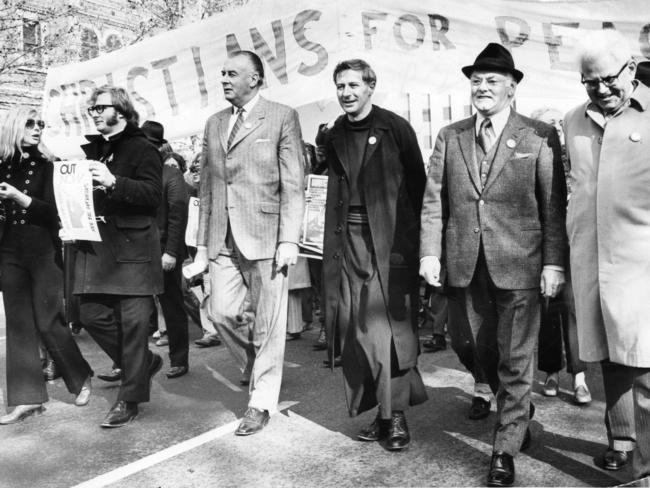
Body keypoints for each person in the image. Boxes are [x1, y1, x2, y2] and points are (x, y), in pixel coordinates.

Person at [420, 43, 566, 486]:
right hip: (464, 265)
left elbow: (552, 207)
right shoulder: (451, 135)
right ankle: (517, 408)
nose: (482, 88)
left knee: (515, 359)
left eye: (492, 81)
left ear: (512, 88)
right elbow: (433, 202)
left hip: (521, 265)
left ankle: (504, 448)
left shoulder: (539, 135)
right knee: (473, 349)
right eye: (476, 81)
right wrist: (430, 252)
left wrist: (553, 264)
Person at [193, 50, 304, 436]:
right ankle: (257, 365)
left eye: (232, 74)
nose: (223, 79)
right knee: (220, 313)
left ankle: (261, 400)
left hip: (267, 236)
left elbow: (293, 184)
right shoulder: (214, 123)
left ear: (255, 79)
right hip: (222, 236)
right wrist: (201, 246)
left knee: (270, 324)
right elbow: (208, 188)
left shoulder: (282, 117)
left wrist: (289, 238)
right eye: (221, 73)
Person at [321, 59, 428, 451]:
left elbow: (419, 188)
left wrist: (420, 248)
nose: (346, 92)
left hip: (389, 244)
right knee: (354, 329)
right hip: (345, 244)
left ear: (370, 87)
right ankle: (382, 410)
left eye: (353, 85)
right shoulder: (333, 135)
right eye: (340, 86)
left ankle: (395, 416)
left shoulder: (395, 128)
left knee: (385, 330)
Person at [564, 30, 650, 481]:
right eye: (589, 81)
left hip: (643, 267)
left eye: (608, 80)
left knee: (647, 370)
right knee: (610, 358)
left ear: (632, 70)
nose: (600, 90)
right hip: (592, 263)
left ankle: (647, 471)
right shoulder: (572, 121)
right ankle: (621, 441)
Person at [74, 85, 164, 428]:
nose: (94, 113)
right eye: (92, 109)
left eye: (100, 108)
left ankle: (129, 400)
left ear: (121, 112)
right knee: (91, 314)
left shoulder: (143, 148)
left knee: (133, 327)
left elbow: (153, 196)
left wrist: (114, 182)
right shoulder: (95, 150)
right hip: (101, 251)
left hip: (135, 253)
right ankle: (141, 365)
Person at [0, 107, 93, 424]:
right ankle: (27, 399)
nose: (38, 128)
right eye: (31, 123)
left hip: (42, 249)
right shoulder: (2, 165)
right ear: (14, 126)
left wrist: (19, 198)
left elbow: (57, 214)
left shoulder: (50, 167)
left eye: (41, 124)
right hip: (8, 248)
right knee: (18, 325)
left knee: (49, 320)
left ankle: (80, 378)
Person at [529, 107, 591, 405]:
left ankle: (579, 376)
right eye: (547, 121)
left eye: (558, 121)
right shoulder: (532, 155)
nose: (554, 126)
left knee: (574, 308)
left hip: (575, 240)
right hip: (544, 242)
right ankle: (551, 371)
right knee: (548, 307)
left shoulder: (576, 155)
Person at [141, 120, 190, 379]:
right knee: (135, 309)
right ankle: (129, 362)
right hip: (139, 252)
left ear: (160, 148)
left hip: (164, 251)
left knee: (171, 306)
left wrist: (170, 252)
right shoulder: (138, 173)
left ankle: (179, 359)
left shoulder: (171, 175)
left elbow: (177, 215)